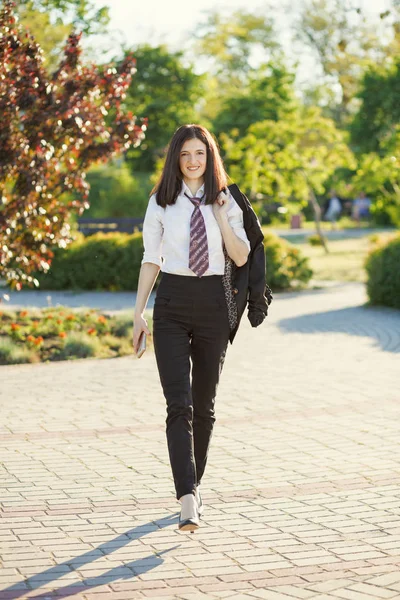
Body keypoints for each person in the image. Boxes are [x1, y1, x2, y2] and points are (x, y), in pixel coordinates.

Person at [132, 124, 251, 532]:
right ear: (176, 159)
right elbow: (152, 258)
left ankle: (193, 486)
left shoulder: (228, 199)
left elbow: (239, 256)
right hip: (172, 303)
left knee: (205, 407)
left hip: (215, 307)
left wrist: (219, 214)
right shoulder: (162, 201)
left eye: (200, 153)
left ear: (210, 156)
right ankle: (186, 496)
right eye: (186, 154)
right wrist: (138, 313)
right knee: (178, 404)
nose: (193, 161)